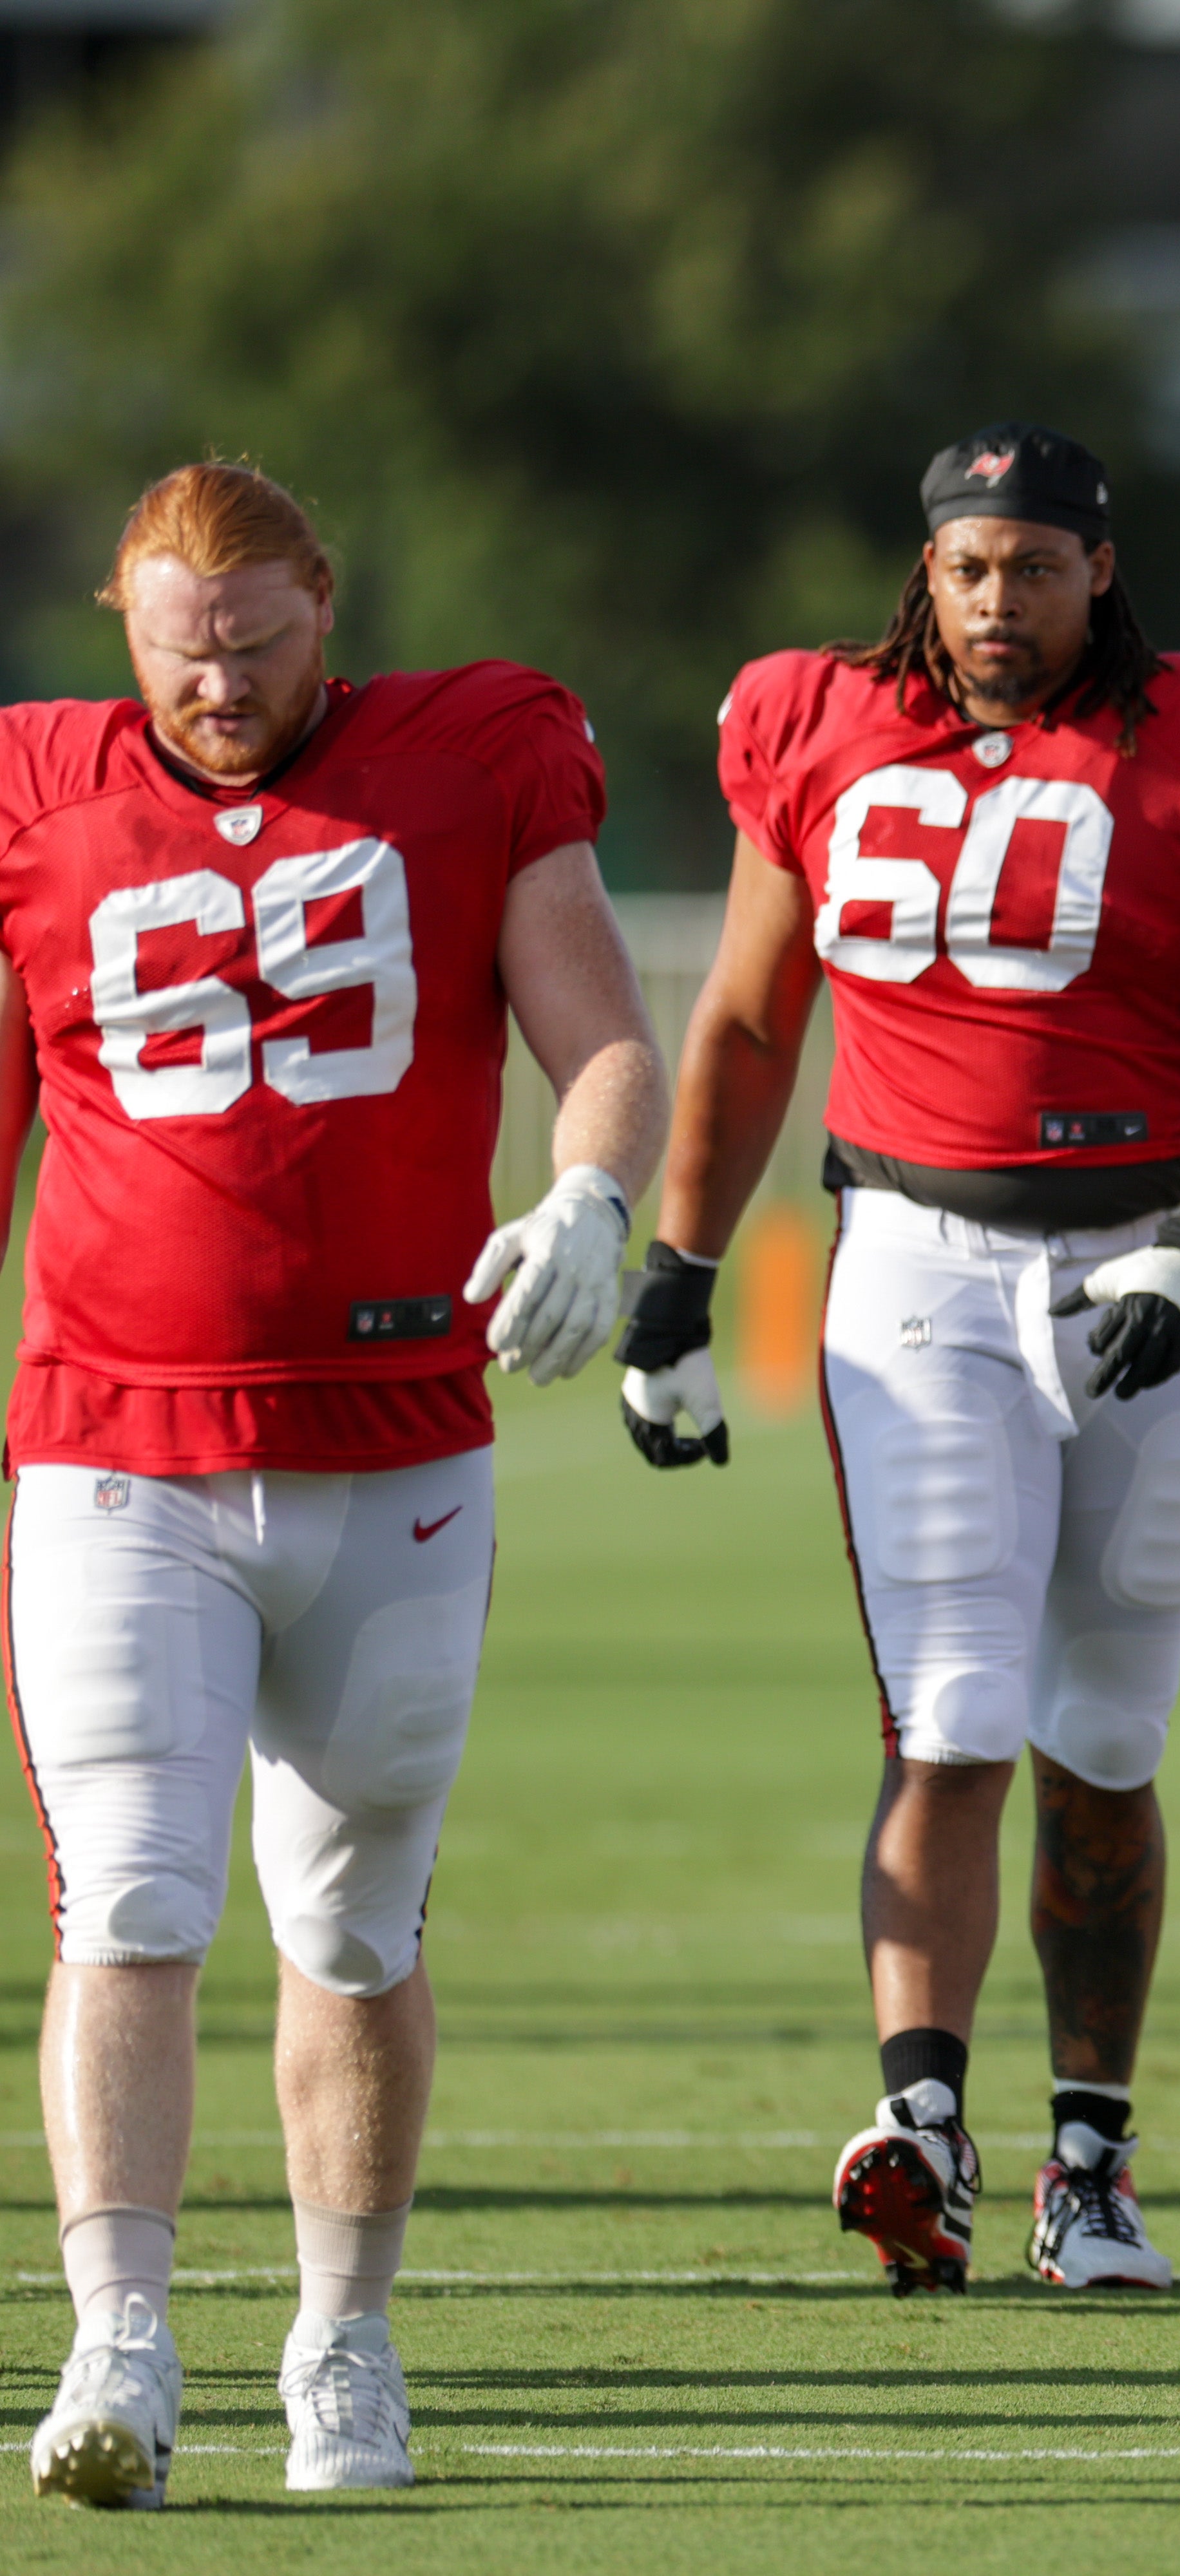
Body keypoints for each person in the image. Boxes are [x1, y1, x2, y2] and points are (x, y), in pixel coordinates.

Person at [622, 424, 1180, 2295]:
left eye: (1035, 564)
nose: (997, 600)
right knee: (947, 1718)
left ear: (1099, 570)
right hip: (918, 1269)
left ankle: (1089, 2164)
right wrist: (676, 1279)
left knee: (1102, 1741)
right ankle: (925, 2122)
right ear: (925, 569)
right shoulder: (812, 725)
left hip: (1147, 1272)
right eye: (969, 565)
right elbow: (745, 1020)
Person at [6, 463, 665, 2503]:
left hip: (393, 1443)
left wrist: (592, 1191)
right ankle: (116, 2341)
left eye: (260, 647)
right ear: (121, 617)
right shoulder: (37, 788)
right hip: (118, 1439)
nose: (218, 691)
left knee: (356, 1922)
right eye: (178, 652)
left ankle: (340, 2343)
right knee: (124, 1901)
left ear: (323, 601)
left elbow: (607, 1042)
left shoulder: (469, 750)